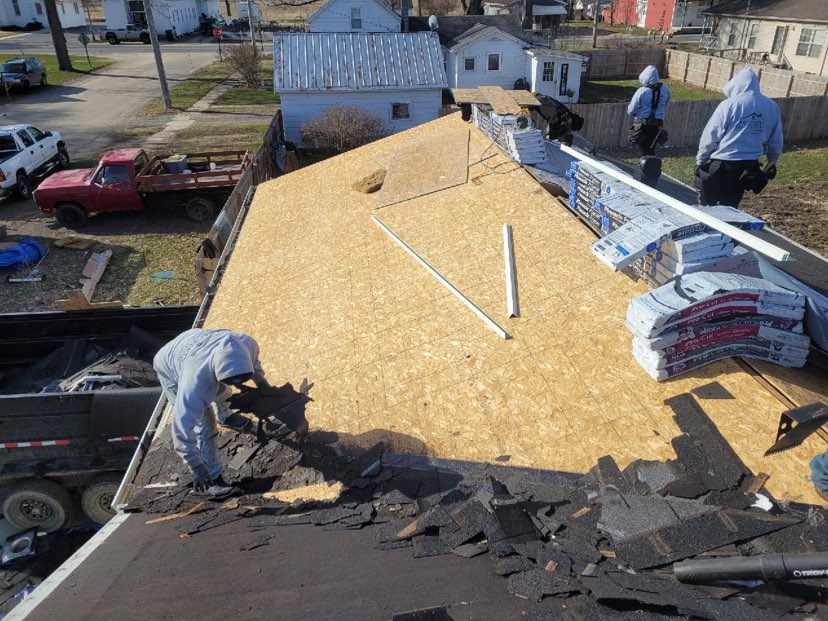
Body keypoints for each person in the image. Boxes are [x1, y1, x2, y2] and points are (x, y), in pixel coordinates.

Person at [153, 328, 270, 496]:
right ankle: (213, 480)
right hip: (168, 365)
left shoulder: (247, 344)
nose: (237, 384)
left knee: (224, 392)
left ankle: (225, 416)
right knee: (205, 426)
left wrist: (262, 385)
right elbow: (181, 429)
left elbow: (254, 364)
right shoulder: (194, 384)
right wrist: (197, 467)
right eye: (230, 380)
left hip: (192, 341)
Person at [694, 67, 783, 209]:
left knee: (707, 209)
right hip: (748, 169)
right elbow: (776, 139)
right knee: (731, 208)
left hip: (722, 167)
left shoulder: (729, 105)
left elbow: (711, 136)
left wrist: (700, 161)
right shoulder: (771, 106)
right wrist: (772, 161)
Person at [627, 65, 671, 157]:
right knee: (651, 147)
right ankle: (650, 164)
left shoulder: (642, 91)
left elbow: (631, 110)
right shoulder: (665, 88)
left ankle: (644, 166)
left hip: (642, 124)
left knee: (642, 148)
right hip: (657, 124)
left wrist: (636, 114)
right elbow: (666, 102)